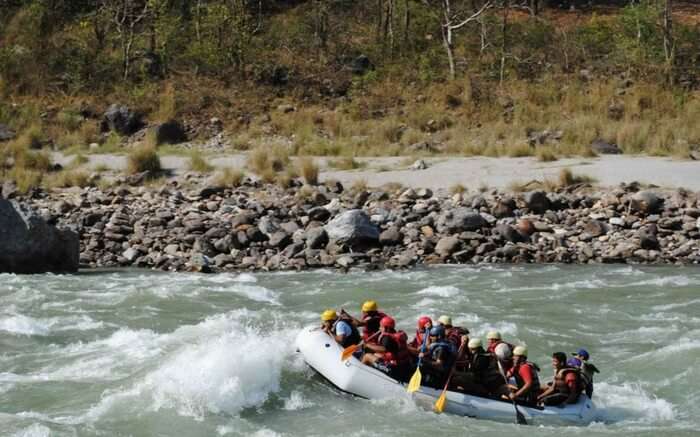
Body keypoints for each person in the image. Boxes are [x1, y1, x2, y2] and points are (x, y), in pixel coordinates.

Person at [361, 316, 411, 382]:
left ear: (386, 328)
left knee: (367, 356)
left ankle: (360, 373)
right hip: (404, 365)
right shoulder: (398, 334)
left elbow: (384, 349)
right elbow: (390, 349)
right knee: (376, 354)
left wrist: (367, 345)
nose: (379, 328)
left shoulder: (386, 338)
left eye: (381, 326)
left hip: (394, 370)